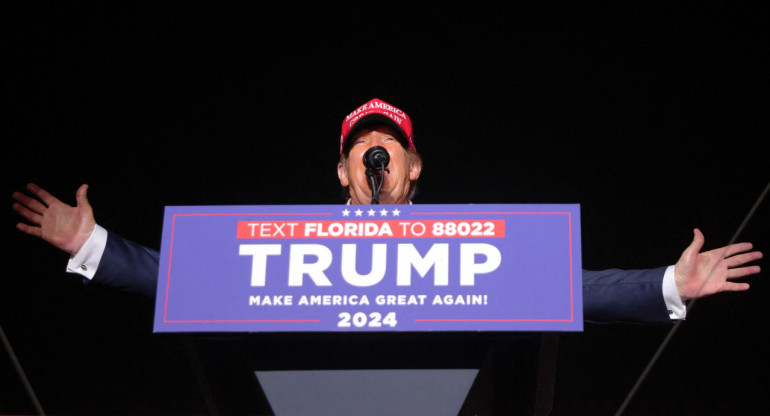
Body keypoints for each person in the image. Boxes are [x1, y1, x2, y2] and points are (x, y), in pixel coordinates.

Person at [12, 98, 763, 323]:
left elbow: (572, 287)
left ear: (413, 167)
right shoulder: (282, 245)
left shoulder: (470, 245)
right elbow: (186, 278)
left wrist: (668, 282)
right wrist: (96, 245)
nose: (378, 153)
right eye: (363, 147)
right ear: (343, 169)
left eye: (390, 145)